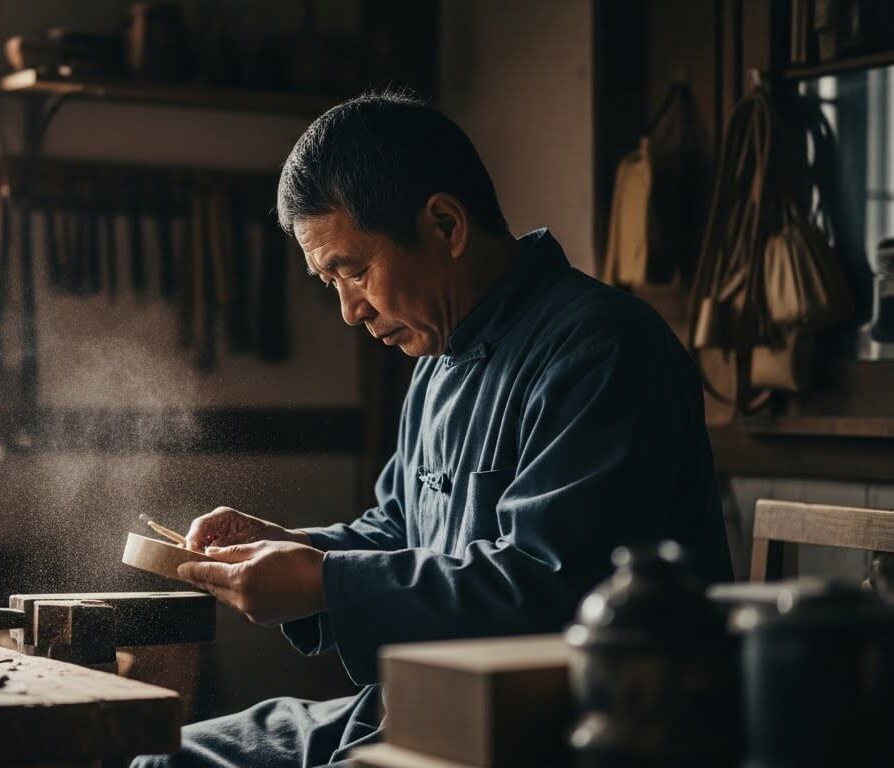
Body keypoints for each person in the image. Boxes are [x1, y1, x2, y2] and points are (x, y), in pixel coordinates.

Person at [131, 92, 733, 768]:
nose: (349, 311)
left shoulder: (602, 349)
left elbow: (555, 591)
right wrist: (289, 547)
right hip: (410, 708)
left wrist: (324, 582)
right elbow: (395, 531)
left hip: (559, 727)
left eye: (353, 271)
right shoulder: (438, 358)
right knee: (155, 757)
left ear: (445, 224)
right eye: (328, 281)